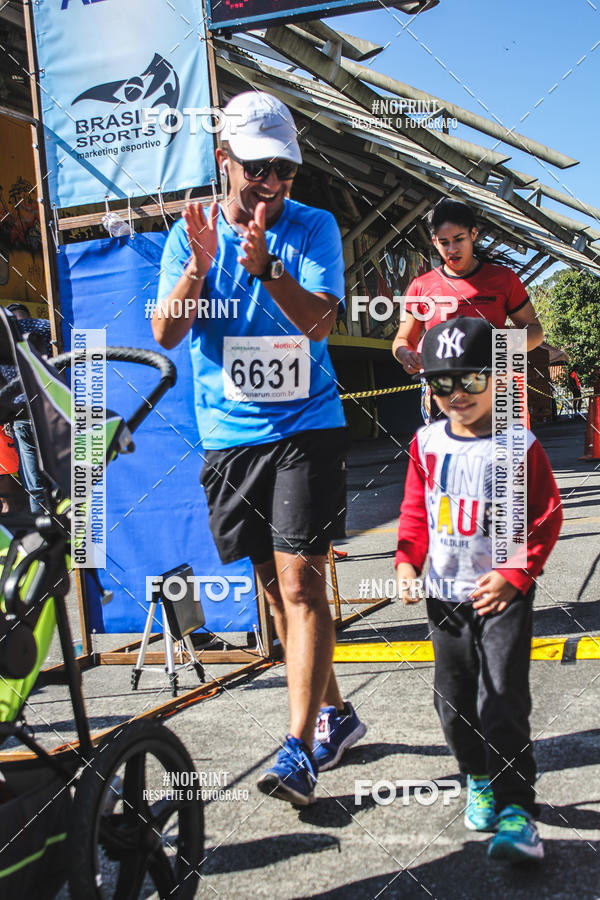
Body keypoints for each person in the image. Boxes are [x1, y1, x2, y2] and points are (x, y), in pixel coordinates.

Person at [153, 91, 365, 805]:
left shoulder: (313, 226)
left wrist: (270, 269)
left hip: (307, 427)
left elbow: (320, 326)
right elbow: (165, 334)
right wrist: (199, 267)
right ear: (225, 160)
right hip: (231, 438)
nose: (272, 182)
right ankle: (338, 714)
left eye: (285, 169)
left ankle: (298, 750)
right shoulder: (190, 233)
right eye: (258, 167)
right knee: (276, 593)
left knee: (302, 586)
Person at [395, 316, 562, 862]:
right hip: (446, 597)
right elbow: (414, 511)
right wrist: (406, 561)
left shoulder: (517, 444)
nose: (457, 393)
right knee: (452, 698)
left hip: (502, 596)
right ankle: (477, 777)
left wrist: (516, 574)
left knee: (503, 698)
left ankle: (517, 810)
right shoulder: (425, 444)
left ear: (497, 378)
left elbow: (545, 516)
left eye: (471, 379)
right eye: (442, 382)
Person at [392, 199, 544, 420]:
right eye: (444, 242)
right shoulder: (420, 286)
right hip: (445, 393)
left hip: (498, 390)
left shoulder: (504, 279)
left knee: (505, 444)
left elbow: (535, 331)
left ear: (473, 234)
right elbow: (402, 340)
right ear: (434, 242)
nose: (452, 249)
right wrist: (406, 355)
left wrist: (507, 343)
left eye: (459, 239)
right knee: (448, 444)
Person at [0, 304, 51, 514]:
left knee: (35, 483)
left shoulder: (6, 338)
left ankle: (44, 525)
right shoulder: (45, 328)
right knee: (57, 474)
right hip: (47, 413)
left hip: (25, 415)